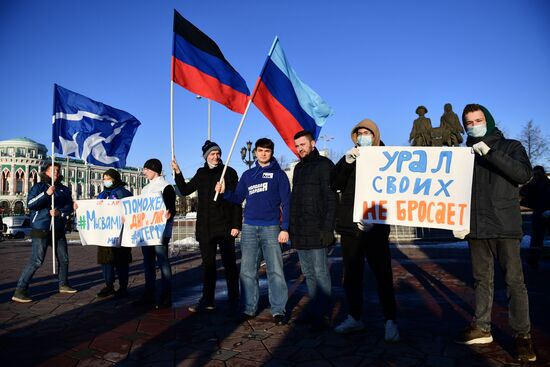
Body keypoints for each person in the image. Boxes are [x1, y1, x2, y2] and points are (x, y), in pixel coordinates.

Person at [453, 104, 536, 363]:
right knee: (481, 280)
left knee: (514, 282)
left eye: (478, 120)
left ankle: (523, 336)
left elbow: (523, 174)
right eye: (469, 122)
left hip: (504, 225)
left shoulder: (510, 146)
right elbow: (454, 189)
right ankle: (482, 327)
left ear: (487, 120)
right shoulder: (464, 154)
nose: (474, 125)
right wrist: (456, 218)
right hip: (476, 227)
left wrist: (490, 153)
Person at [330, 119, 400, 342]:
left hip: (377, 227)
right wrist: (348, 162)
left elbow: (397, 188)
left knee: (382, 275)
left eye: (367, 133)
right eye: (359, 133)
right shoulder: (349, 156)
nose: (362, 136)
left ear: (375, 135)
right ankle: (354, 316)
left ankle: (390, 321)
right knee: (351, 275)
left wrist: (376, 220)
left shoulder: (388, 156)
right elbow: (335, 184)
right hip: (351, 227)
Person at [216, 138, 290, 325]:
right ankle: (249, 307)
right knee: (248, 271)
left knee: (275, 271)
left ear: (272, 152)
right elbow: (238, 198)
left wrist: (285, 228)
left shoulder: (279, 175)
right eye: (260, 150)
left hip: (271, 227)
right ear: (255, 152)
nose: (263, 153)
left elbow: (287, 203)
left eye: (267, 150)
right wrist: (225, 192)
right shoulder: (248, 175)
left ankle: (278, 310)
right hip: (249, 227)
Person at [171, 140, 242, 313]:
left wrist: (236, 224)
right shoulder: (201, 173)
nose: (216, 156)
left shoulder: (229, 172)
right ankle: (207, 299)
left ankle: (234, 297)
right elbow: (185, 190)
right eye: (212, 154)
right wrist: (178, 172)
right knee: (208, 265)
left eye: (218, 153)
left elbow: (237, 201)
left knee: (229, 264)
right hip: (205, 228)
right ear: (206, 156)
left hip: (225, 227)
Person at [289, 130, 337, 331]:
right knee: (308, 273)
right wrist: (292, 228)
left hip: (318, 229)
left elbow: (331, 199)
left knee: (320, 272)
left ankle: (324, 313)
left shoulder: (325, 165)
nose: (300, 148)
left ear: (313, 143)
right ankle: (315, 310)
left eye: (303, 144)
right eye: (297, 146)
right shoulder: (298, 168)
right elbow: (295, 200)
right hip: (301, 230)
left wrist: (328, 228)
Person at [12, 162, 76, 303]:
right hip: (41, 227)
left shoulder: (64, 190)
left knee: (64, 258)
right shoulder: (38, 187)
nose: (56, 173)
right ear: (45, 172)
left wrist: (60, 213)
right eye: (52, 170)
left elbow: (68, 207)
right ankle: (20, 290)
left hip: (58, 229)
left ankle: (63, 284)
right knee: (37, 260)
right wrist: (46, 195)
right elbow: (31, 204)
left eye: (57, 171)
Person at [134, 158, 176, 309]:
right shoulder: (145, 189)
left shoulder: (166, 187)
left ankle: (166, 296)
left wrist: (169, 214)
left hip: (160, 233)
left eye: (146, 169)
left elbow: (172, 208)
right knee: (148, 264)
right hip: (146, 233)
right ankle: (149, 294)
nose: (144, 172)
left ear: (153, 170)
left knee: (163, 263)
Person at [95, 169, 133, 298]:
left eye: (108, 178)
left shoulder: (124, 193)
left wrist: (125, 216)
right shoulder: (102, 195)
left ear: (115, 179)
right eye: (104, 178)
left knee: (121, 261)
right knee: (106, 261)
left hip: (121, 233)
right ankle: (109, 285)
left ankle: (123, 287)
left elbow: (131, 210)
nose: (106, 181)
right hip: (105, 233)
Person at [520, 165, 550, 269]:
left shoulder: (544, 183)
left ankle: (534, 258)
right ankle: (534, 258)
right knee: (537, 237)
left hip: (542, 212)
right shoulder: (535, 184)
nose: (536, 175)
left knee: (537, 237)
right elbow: (522, 192)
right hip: (539, 212)